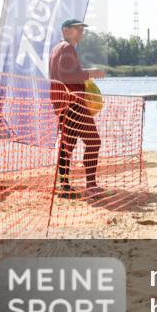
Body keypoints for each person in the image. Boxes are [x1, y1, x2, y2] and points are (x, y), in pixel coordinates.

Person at [49, 18, 107, 200]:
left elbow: (66, 74)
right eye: (77, 28)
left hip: (62, 103)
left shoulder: (57, 48)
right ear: (65, 30)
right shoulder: (66, 48)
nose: (81, 31)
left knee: (68, 145)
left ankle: (64, 185)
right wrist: (91, 73)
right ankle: (91, 185)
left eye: (82, 28)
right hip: (74, 103)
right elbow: (69, 75)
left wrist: (85, 73)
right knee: (93, 142)